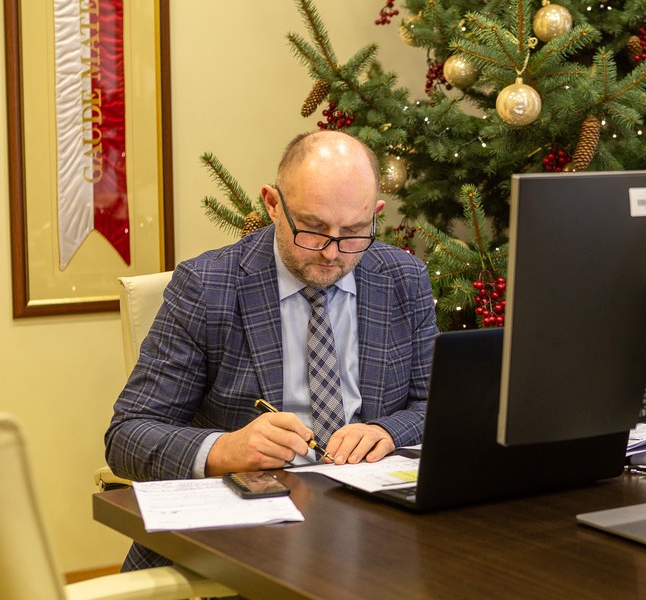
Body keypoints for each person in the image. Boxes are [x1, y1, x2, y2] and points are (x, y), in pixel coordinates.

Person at [105, 130, 438, 570]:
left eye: (354, 233)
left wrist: (389, 432)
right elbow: (127, 436)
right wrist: (225, 449)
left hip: (369, 527)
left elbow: (434, 407)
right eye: (313, 228)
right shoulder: (208, 286)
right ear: (273, 204)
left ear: (376, 215)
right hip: (246, 532)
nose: (331, 253)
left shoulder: (403, 278)